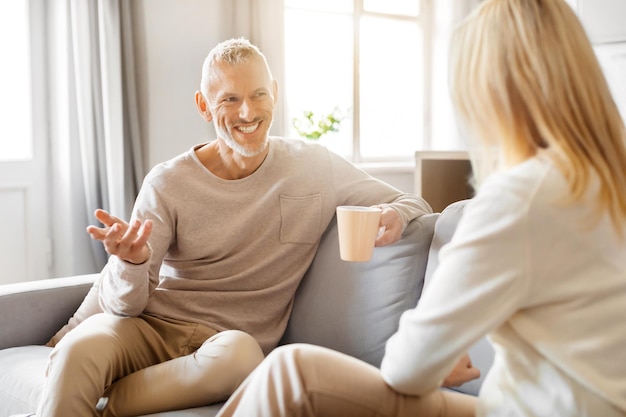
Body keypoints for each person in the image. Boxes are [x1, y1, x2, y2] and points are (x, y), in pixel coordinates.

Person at [214, 0, 626, 416]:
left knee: (290, 371)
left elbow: (408, 367)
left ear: (495, 92)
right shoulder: (606, 181)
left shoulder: (521, 197)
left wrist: (434, 361)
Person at [19, 38, 433, 417]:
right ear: (203, 105)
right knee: (79, 350)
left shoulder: (314, 166)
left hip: (228, 343)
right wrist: (133, 262)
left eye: (258, 95)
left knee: (242, 356)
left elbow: (409, 198)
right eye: (230, 99)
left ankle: (109, 405)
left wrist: (398, 215)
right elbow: (125, 307)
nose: (248, 112)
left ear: (275, 91)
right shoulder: (168, 182)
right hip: (148, 327)